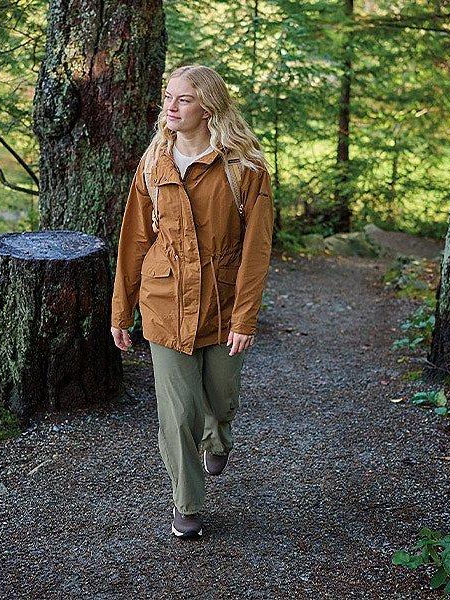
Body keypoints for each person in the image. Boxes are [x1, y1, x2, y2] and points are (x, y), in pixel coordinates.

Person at [110, 64, 274, 539]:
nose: (170, 107)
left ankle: (218, 436)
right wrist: (121, 310)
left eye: (182, 99)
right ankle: (187, 503)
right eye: (168, 97)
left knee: (220, 398)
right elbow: (134, 240)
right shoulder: (154, 162)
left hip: (222, 304)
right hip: (164, 302)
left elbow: (256, 249)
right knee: (178, 413)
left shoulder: (245, 169)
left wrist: (245, 317)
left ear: (208, 107)